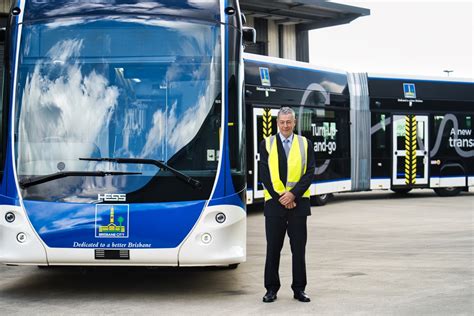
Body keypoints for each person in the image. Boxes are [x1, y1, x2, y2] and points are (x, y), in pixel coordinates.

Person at [259, 106, 315, 303]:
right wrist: (283, 197)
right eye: (282, 122)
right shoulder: (266, 144)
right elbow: (265, 176)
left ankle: (299, 289)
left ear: (294, 123)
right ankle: (271, 289)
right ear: (277, 123)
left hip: (298, 204)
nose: (285, 125)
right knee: (273, 248)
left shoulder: (305, 144)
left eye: (288, 122)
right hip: (275, 205)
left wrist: (293, 195)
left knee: (298, 250)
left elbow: (309, 173)